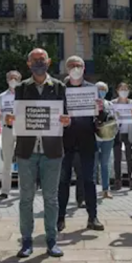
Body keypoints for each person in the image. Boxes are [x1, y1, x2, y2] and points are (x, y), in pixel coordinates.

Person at [5, 48, 70, 258]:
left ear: (49, 62)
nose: (38, 63)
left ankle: (52, 241)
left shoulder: (59, 86)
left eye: (42, 59)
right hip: (27, 150)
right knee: (26, 198)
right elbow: (17, 116)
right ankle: (26, 241)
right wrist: (10, 121)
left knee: (51, 198)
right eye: (34, 60)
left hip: (52, 150)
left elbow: (66, 115)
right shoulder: (22, 87)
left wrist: (66, 121)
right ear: (28, 64)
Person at [58, 56, 109, 232]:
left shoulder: (92, 90)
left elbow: (101, 119)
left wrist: (101, 110)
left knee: (89, 181)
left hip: (87, 142)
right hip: (65, 143)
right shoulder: (60, 90)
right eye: (71, 65)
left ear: (84, 68)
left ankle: (92, 217)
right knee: (63, 181)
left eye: (78, 65)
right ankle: (60, 218)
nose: (75, 68)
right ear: (66, 69)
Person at [0, 70, 22, 200]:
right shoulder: (2, 97)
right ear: (7, 80)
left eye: (16, 78)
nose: (13, 80)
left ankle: (23, 190)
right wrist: (5, 119)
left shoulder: (23, 94)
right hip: (7, 129)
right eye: (11, 78)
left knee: (23, 160)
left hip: (22, 130)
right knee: (7, 161)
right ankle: (5, 191)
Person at [112, 82, 132, 191]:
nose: (124, 91)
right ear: (117, 91)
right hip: (117, 133)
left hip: (129, 132)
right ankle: (118, 182)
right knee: (117, 158)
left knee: (130, 158)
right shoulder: (112, 103)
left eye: (126, 89)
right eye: (121, 89)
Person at [94, 81, 114, 199]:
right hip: (95, 137)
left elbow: (114, 119)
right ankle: (92, 189)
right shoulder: (91, 103)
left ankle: (106, 189)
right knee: (93, 164)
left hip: (108, 137)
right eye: (99, 89)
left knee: (105, 164)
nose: (101, 92)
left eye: (103, 90)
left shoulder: (109, 104)